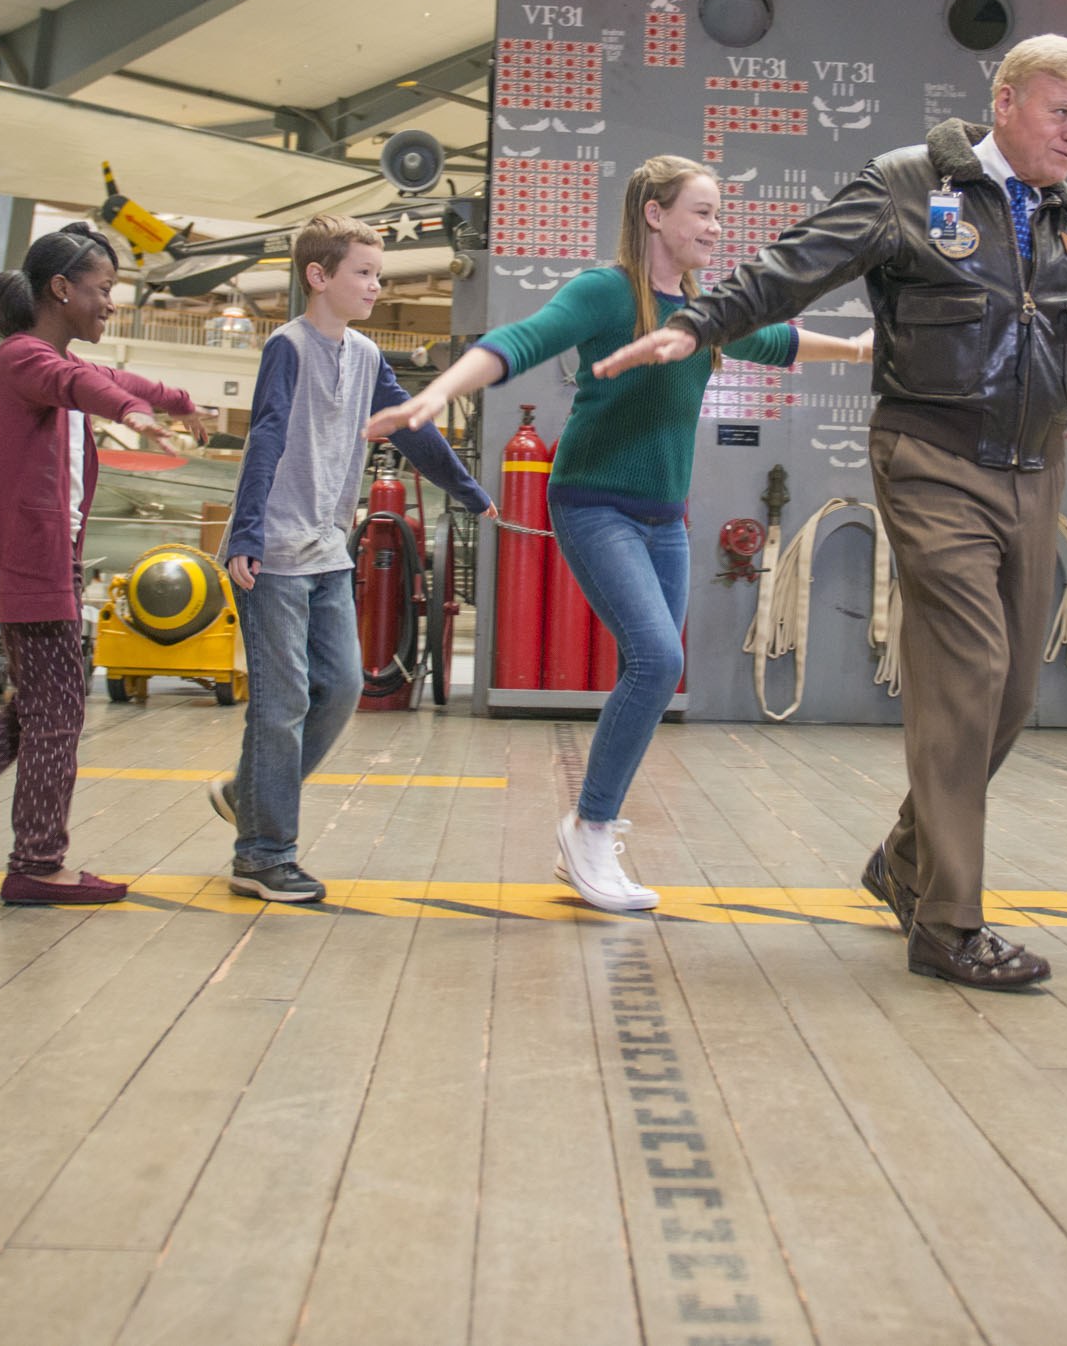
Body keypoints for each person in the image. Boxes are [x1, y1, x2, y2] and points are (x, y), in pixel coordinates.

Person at [597, 34, 1067, 991]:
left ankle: (901, 865)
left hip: (1034, 473)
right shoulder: (907, 186)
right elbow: (794, 264)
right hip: (932, 460)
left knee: (1012, 695)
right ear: (1008, 101)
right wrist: (696, 321)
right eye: (1060, 113)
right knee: (969, 673)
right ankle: (947, 924)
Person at [367, 156, 869, 910]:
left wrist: (861, 350)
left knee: (656, 673)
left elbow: (780, 340)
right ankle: (590, 829)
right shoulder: (606, 293)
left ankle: (591, 829)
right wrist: (436, 392)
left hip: (664, 516)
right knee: (658, 654)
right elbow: (522, 339)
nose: (716, 227)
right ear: (655, 216)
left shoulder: (706, 309)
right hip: (592, 504)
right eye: (702, 212)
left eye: (719, 215)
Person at [0, 224, 197, 906]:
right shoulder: (25, 359)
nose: (110, 303)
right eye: (103, 290)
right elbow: (84, 384)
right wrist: (135, 414)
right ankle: (36, 862)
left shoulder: (58, 360)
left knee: (43, 709)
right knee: (59, 714)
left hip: (45, 561)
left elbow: (112, 378)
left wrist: (176, 401)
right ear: (61, 288)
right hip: (30, 562)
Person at [215, 216, 490, 904]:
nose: (375, 285)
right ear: (319, 277)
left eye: (377, 274)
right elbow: (267, 439)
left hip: (328, 549)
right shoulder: (287, 347)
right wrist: (245, 532)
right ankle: (264, 852)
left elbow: (410, 426)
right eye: (363, 273)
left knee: (339, 690)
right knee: (279, 706)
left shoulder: (366, 355)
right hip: (273, 550)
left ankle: (248, 794)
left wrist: (469, 490)